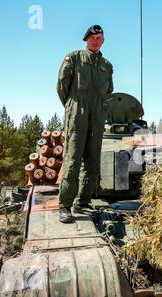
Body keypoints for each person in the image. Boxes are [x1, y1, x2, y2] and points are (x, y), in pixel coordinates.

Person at [56, 25, 113, 223]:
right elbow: (62, 85)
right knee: (73, 157)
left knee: (92, 159)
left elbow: (109, 90)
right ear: (86, 40)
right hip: (78, 110)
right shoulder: (74, 57)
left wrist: (97, 108)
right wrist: (72, 106)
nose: (95, 41)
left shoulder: (107, 64)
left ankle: (83, 201)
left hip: (97, 113)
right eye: (92, 38)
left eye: (98, 37)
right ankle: (65, 204)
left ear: (103, 40)